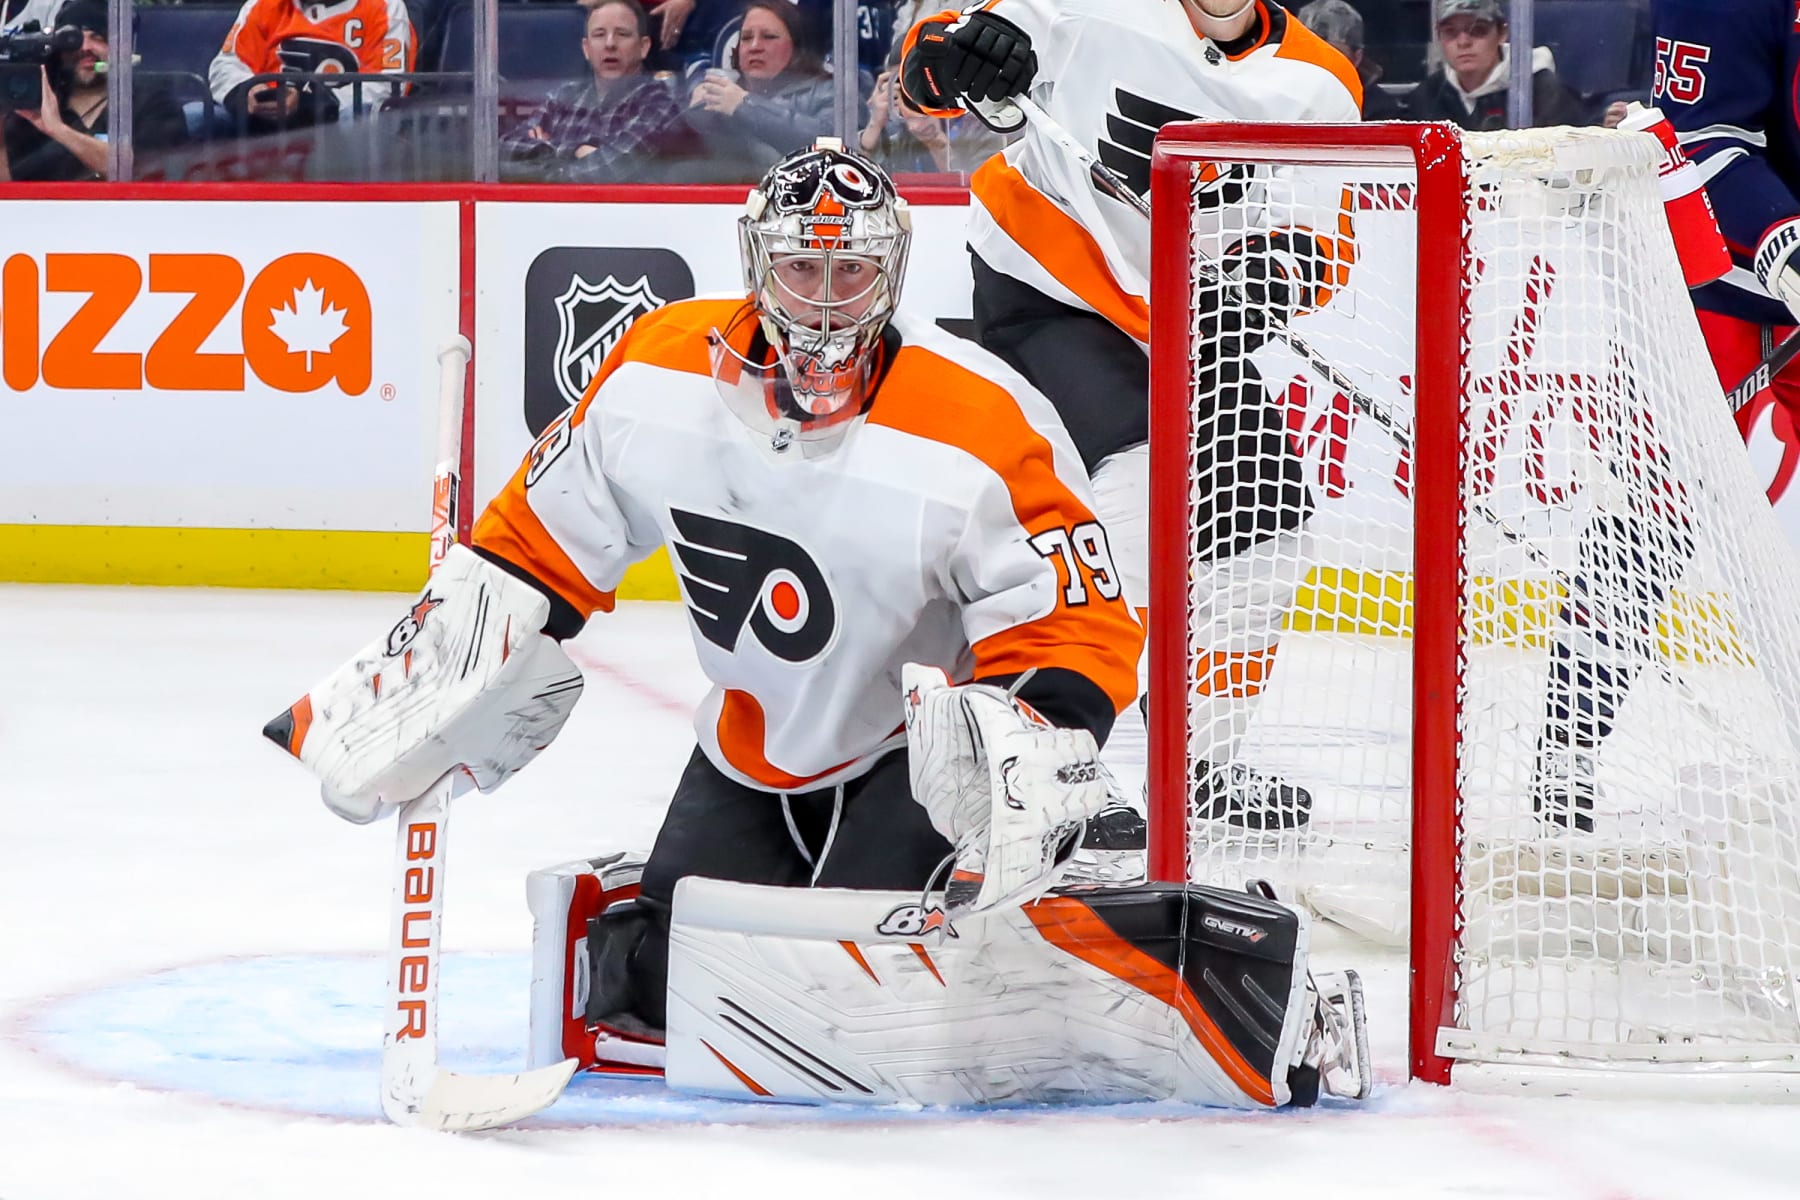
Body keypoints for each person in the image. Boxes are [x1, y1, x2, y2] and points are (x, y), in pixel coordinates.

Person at [263, 140, 1370, 1110]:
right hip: (750, 747)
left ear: (890, 272)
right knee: (648, 987)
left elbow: (1074, 615)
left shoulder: (977, 415)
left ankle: (1180, 957)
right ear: (759, 265)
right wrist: (437, 680)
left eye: (854, 269)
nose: (829, 298)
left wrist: (1032, 743)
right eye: (805, 266)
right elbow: (534, 550)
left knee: (857, 1011)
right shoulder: (654, 373)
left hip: (917, 755)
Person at [899, 0, 1362, 826]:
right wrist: (955, 54)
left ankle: (1201, 760)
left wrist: (1272, 277)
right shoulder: (1086, 5)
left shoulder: (1320, 85)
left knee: (1268, 513)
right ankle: (1062, 750)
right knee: (1137, 479)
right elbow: (927, 71)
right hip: (1048, 287)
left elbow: (1323, 239)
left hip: (1187, 318)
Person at [501, 0, 697, 183]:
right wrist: (575, 150)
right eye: (599, 34)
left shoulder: (658, 105)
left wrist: (545, 150)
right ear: (586, 49)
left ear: (643, 47)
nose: (610, 44)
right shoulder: (564, 96)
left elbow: (604, 172)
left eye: (622, 34)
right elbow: (502, 150)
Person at [0, 0, 186, 181]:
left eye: (97, 37)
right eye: (74, 39)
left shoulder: (152, 101)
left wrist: (59, 130)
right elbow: (11, 194)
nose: (85, 47)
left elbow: (144, 170)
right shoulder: (34, 106)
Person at [683, 0, 839, 178]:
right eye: (746, 38)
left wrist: (744, 106)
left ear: (796, 47)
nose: (755, 47)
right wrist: (694, 114)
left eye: (769, 37)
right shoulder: (722, 92)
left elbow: (832, 148)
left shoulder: (831, 91)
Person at [209, 0, 415, 134]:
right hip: (263, 117)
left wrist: (310, 105)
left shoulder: (386, 7)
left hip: (335, 125)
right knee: (196, 117)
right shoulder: (261, 5)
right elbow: (227, 63)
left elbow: (388, 86)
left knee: (357, 117)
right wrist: (246, 90)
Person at [1403, 0, 1583, 130]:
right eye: (1450, 32)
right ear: (1439, 38)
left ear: (1502, 33)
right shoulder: (1427, 96)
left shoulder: (1543, 91)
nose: (1463, 42)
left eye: (1478, 30)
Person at [858, 63, 1005, 175]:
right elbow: (858, 183)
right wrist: (874, 125)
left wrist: (934, 140)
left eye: (919, 84)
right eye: (903, 87)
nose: (913, 96)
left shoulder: (982, 127)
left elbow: (977, 194)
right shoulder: (898, 137)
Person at [1297, 0, 1404, 119]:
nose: (1319, 63)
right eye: (1308, 53)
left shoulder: (1382, 115)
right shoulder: (1280, 98)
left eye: (1333, 54)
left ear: (1356, 58)